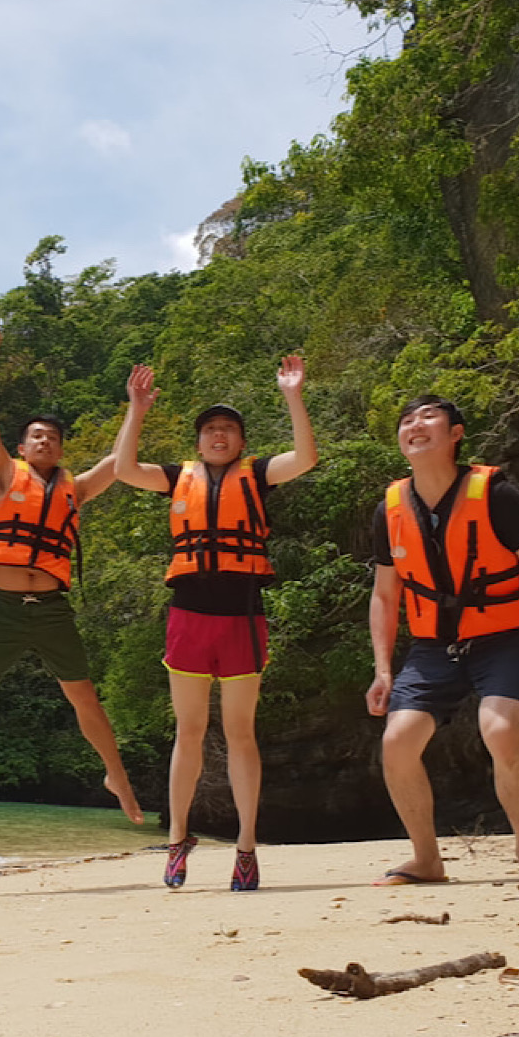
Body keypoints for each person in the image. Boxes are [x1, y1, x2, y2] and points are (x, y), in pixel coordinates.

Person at [0, 309, 144, 835]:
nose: (45, 442)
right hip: (2, 608)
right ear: (22, 448)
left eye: (52, 439)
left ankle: (117, 776)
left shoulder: (75, 489)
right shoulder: (3, 474)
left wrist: (136, 409)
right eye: (36, 437)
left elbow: (120, 461)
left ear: (61, 450)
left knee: (83, 695)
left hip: (50, 609)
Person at [114, 357, 317, 889]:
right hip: (189, 614)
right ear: (199, 442)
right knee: (189, 731)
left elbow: (305, 457)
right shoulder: (177, 477)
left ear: (241, 442)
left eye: (227, 428)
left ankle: (246, 846)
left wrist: (293, 396)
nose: (218, 434)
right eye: (209, 429)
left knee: (240, 732)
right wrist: (136, 410)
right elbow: (123, 469)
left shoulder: (258, 475)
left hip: (242, 616)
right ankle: (178, 838)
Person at [365, 395, 519, 885]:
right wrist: (383, 669)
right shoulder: (390, 509)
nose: (415, 424)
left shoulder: (496, 495)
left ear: (456, 434)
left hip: (506, 637)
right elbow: (384, 595)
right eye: (407, 420)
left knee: (500, 729)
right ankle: (426, 859)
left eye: (428, 416)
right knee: (397, 741)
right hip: (434, 646)